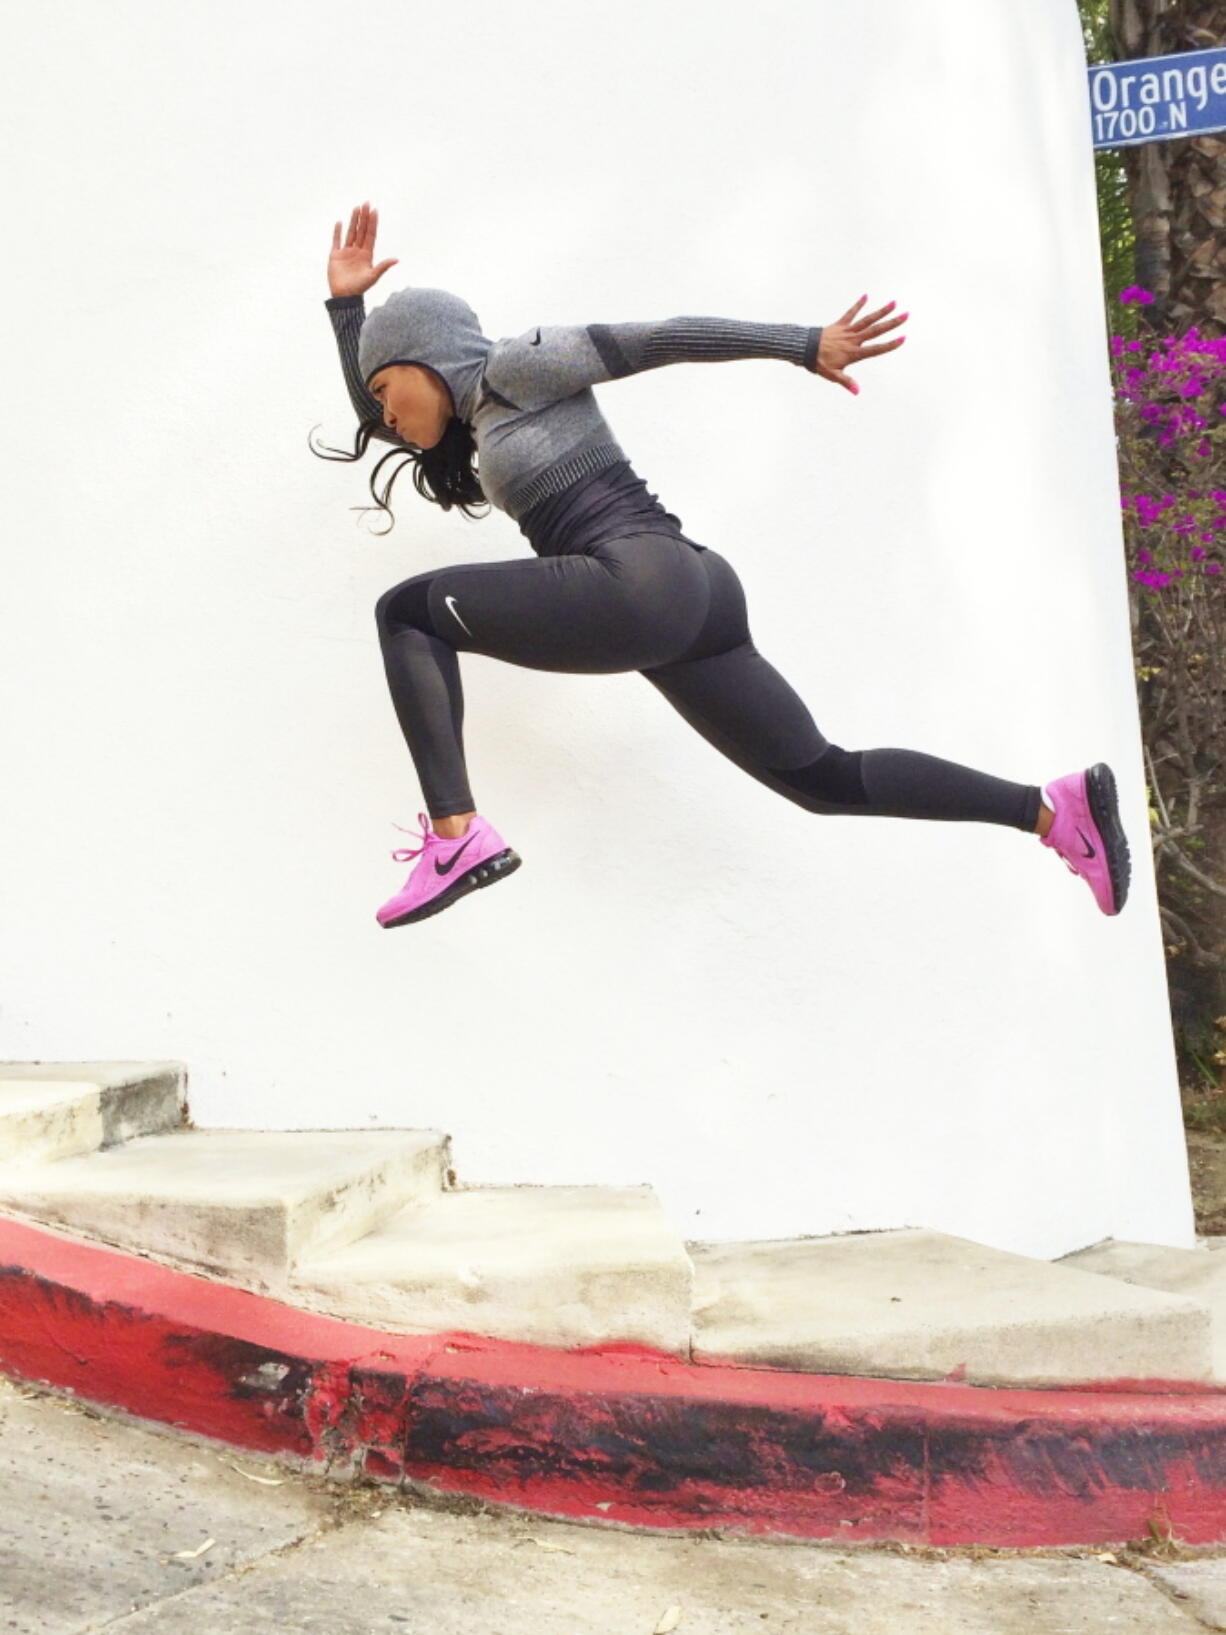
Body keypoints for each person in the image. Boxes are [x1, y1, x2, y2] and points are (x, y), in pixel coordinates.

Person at [311, 201, 1131, 929]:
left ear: (426, 356)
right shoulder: (478, 423)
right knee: (820, 778)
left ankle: (457, 837)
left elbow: (656, 339)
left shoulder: (515, 367)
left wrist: (802, 344)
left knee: (406, 613)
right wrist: (346, 309)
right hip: (695, 597)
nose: (381, 413)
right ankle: (1051, 811)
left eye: (387, 389)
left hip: (639, 582)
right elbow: (379, 417)